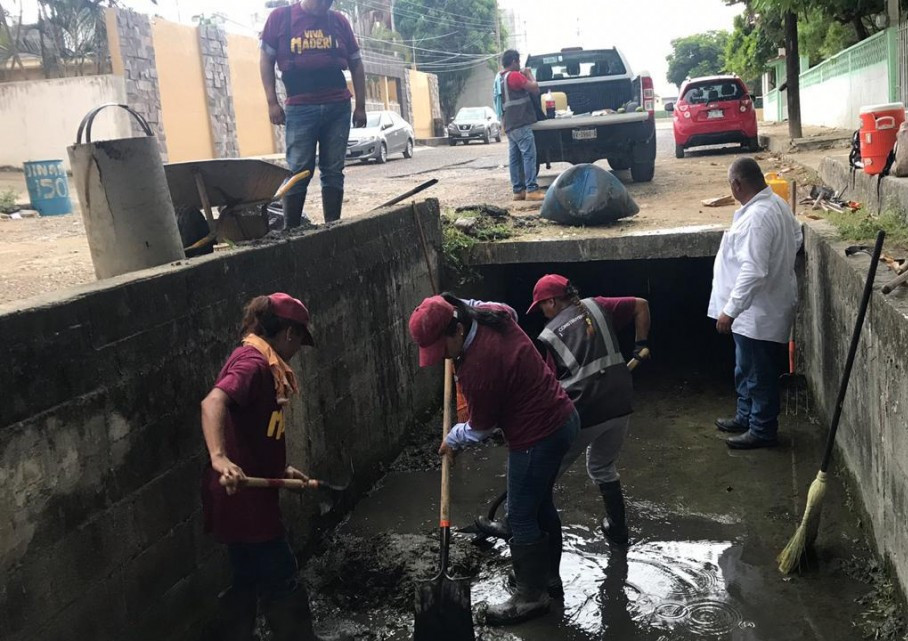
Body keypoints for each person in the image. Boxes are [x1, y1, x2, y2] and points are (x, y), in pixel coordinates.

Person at [409, 294, 580, 625]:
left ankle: (531, 597)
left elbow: (481, 427)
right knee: (540, 505)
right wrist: (453, 302)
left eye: (441, 349)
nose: (442, 358)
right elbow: (504, 307)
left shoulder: (478, 367)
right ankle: (547, 579)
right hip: (562, 417)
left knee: (519, 514)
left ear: (457, 330)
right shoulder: (491, 314)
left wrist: (452, 438)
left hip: (538, 435)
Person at [477, 276, 650, 548]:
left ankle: (516, 526)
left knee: (541, 473)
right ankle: (618, 529)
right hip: (621, 402)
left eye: (542, 307)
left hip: (585, 412)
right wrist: (640, 345)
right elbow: (642, 305)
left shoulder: (550, 335)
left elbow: (546, 386)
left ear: (552, 301)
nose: (543, 314)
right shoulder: (598, 306)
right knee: (602, 466)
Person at [200, 293, 326, 641]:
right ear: (288, 333)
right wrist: (219, 457)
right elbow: (213, 402)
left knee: (246, 576)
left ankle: (237, 635)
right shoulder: (252, 364)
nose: (299, 348)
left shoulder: (264, 364)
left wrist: (280, 469)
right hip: (243, 499)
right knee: (281, 576)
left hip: (248, 492)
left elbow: (253, 429)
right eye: (300, 339)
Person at [708, 157, 802, 450]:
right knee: (745, 367)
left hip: (757, 312)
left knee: (760, 373)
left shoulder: (758, 217)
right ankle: (746, 415)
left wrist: (730, 310)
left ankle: (762, 429)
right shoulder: (775, 205)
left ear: (737, 184)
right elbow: (797, 237)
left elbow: (754, 270)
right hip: (757, 311)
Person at [260, 0, 367, 227]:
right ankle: (292, 229)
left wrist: (361, 106)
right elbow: (266, 60)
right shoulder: (280, 18)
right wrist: (272, 102)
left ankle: (332, 226)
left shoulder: (339, 21)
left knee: (333, 170)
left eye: (328, 2)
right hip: (299, 108)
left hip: (337, 106)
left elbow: (356, 64)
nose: (323, 6)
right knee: (299, 170)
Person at [498, 49, 543, 201]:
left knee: (515, 158)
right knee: (529, 155)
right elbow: (535, 89)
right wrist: (529, 73)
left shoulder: (501, 78)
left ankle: (518, 190)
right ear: (514, 62)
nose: (520, 65)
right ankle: (531, 189)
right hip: (520, 122)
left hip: (509, 123)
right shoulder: (515, 76)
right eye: (518, 62)